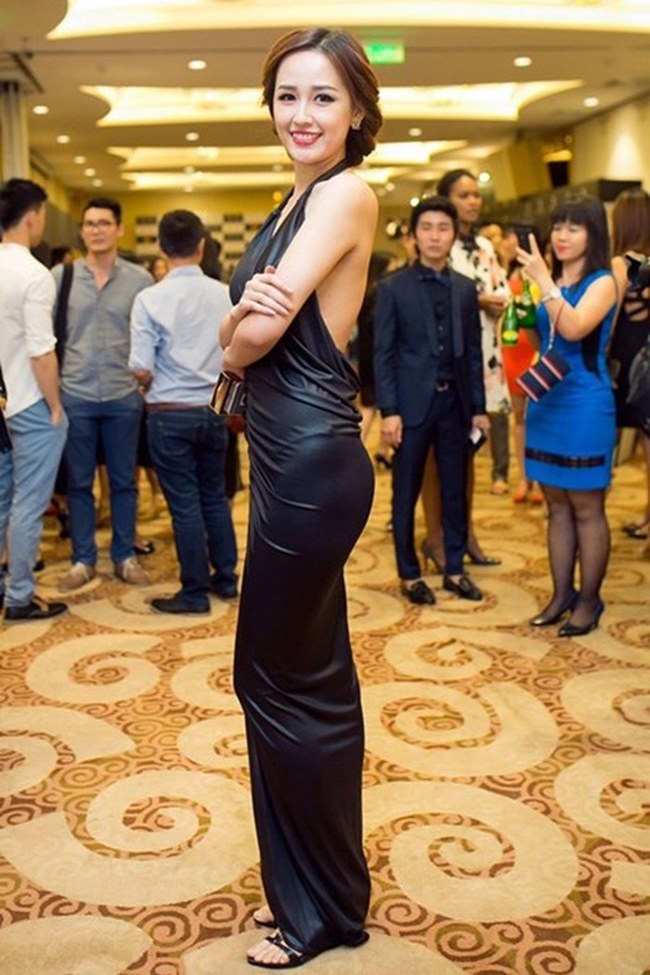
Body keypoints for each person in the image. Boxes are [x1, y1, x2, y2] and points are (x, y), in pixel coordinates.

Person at [218, 27, 381, 969]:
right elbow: (248, 324)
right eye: (287, 96)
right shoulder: (298, 198)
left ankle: (315, 909)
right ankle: (328, 894)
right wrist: (241, 326)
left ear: (356, 110)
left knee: (275, 679)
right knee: (309, 675)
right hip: (291, 460)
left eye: (323, 97)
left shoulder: (346, 192)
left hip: (314, 465)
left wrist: (235, 331)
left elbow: (251, 337)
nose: (302, 114)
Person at [375, 197, 488, 605]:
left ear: (453, 235)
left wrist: (479, 408)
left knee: (455, 490)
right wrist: (389, 411)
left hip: (455, 405)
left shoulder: (465, 288)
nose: (435, 236)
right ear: (414, 235)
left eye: (443, 228)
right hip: (410, 408)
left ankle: (455, 568)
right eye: (427, 228)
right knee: (405, 491)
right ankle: (409, 574)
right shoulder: (392, 288)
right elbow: (383, 355)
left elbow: (473, 353)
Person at [516, 196, 617, 636]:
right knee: (556, 505)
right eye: (558, 226)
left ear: (593, 235)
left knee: (587, 507)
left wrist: (542, 281)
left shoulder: (603, 281)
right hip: (547, 399)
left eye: (574, 228)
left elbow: (575, 328)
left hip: (585, 404)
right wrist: (523, 309)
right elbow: (545, 341)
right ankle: (561, 594)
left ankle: (589, 601)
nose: (561, 236)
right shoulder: (552, 280)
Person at [129, 209, 238, 613]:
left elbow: (141, 366)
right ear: (202, 246)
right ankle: (226, 579)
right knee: (215, 496)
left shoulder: (149, 299)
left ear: (161, 247)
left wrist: (145, 382)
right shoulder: (225, 294)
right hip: (213, 410)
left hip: (169, 412)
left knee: (185, 504)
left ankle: (194, 591)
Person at [54, 197, 152, 591]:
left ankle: (124, 556)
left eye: (104, 223)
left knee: (124, 481)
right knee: (79, 483)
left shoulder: (140, 280)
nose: (96, 230)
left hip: (123, 395)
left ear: (119, 229)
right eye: (90, 223)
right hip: (75, 393)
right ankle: (83, 559)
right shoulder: (61, 278)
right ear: (82, 231)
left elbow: (150, 336)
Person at [0, 178, 68, 621]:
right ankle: (20, 596)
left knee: (1, 498)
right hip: (28, 402)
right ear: (32, 217)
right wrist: (56, 406)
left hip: (0, 403)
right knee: (29, 503)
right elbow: (41, 350)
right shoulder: (33, 274)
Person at [439, 169, 512, 494]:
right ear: (447, 200)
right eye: (463, 195)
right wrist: (478, 300)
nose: (473, 202)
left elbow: (501, 284)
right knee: (454, 434)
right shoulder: (442, 243)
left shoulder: (484, 245)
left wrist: (498, 299)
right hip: (454, 347)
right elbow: (439, 294)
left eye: (476, 195)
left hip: (488, 344)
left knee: (490, 419)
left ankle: (499, 474)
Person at [608, 188, 650, 539]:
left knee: (607, 447)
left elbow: (608, 323)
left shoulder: (622, 264)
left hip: (627, 366)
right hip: (645, 362)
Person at [499, 223, 544, 505]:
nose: (506, 243)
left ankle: (539, 478)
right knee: (518, 418)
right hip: (512, 350)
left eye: (510, 238)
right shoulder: (508, 272)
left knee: (537, 416)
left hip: (536, 351)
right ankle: (524, 476)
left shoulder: (542, 270)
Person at [356, 249, 396, 468]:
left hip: (365, 357)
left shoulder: (361, 294)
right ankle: (377, 451)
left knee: (370, 406)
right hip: (380, 358)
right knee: (385, 406)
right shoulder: (381, 295)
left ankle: (379, 451)